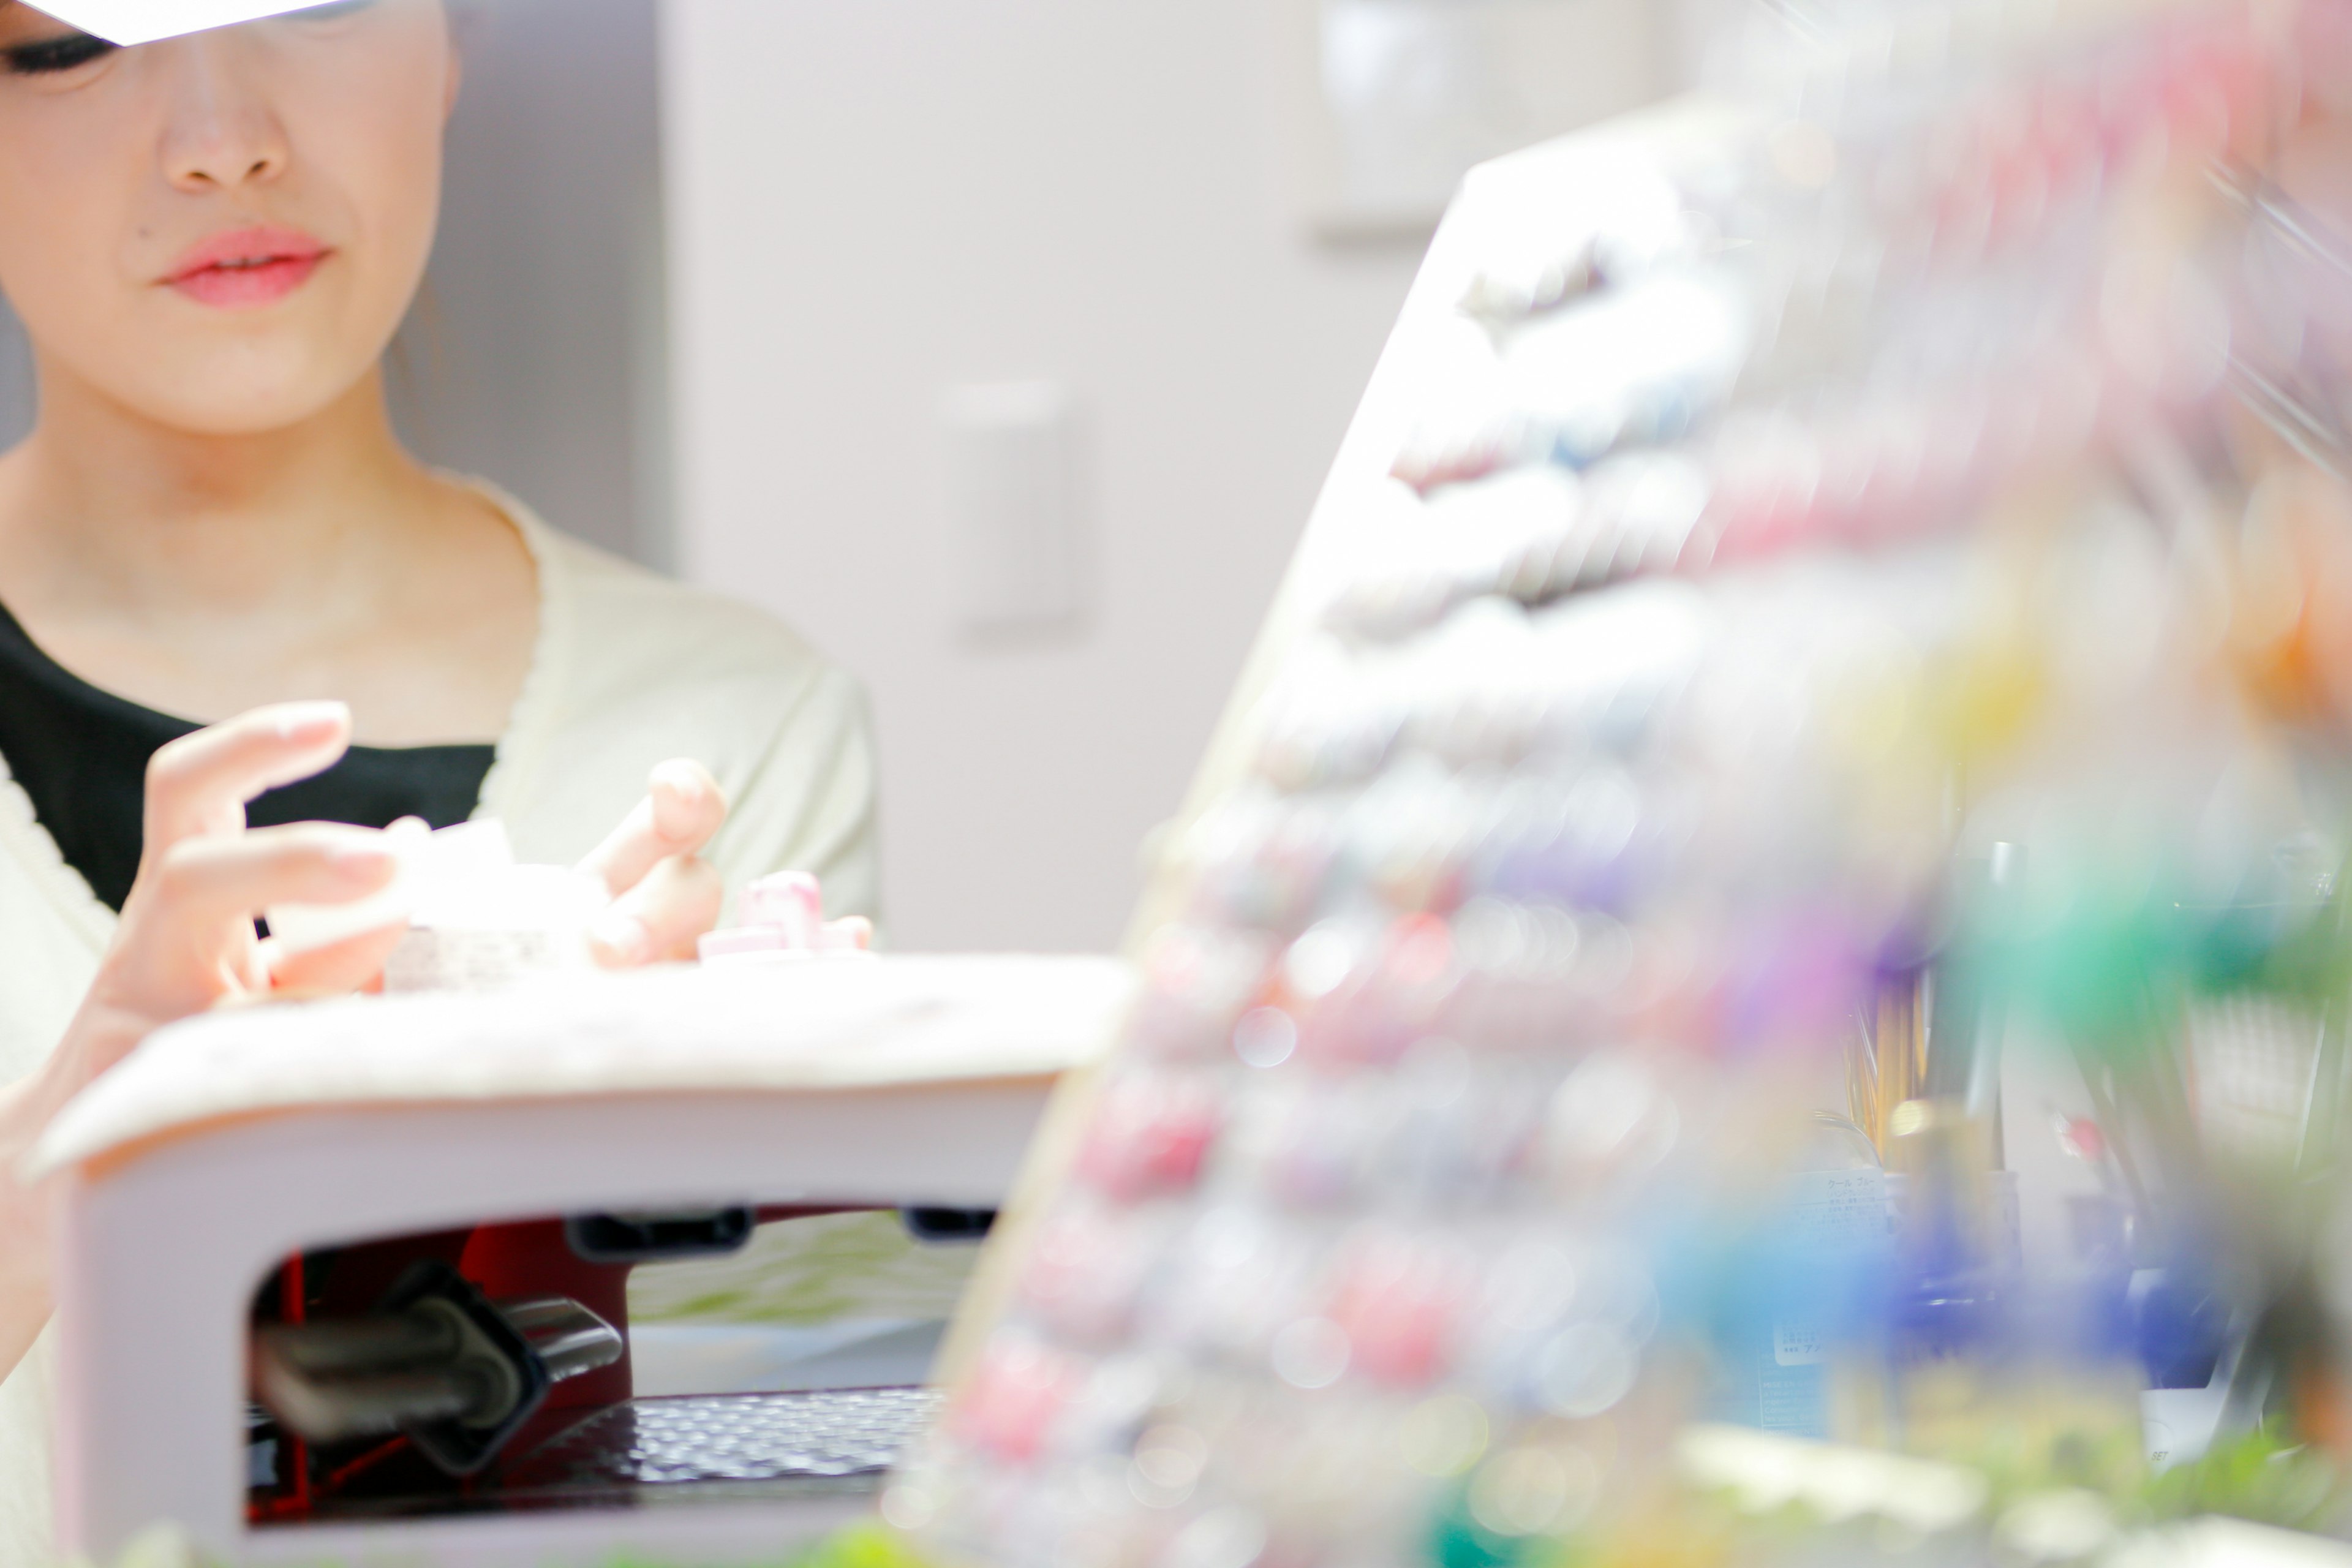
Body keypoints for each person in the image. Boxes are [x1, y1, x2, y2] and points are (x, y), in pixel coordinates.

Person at [0, 1, 878, 1556]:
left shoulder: (740, 729)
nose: (223, 140)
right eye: (66, 45)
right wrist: (78, 1152)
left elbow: (780, 1494)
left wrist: (681, 1227)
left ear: (452, 42)